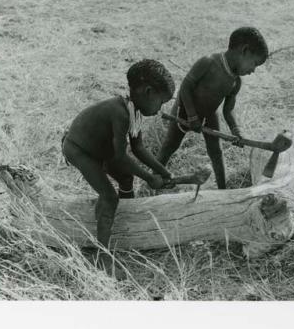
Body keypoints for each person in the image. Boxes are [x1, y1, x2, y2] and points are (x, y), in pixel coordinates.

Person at [62, 59, 175, 272]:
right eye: (161, 102)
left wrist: (163, 171)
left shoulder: (134, 112)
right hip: (80, 150)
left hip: (100, 151)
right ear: (148, 92)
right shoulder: (120, 113)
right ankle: (101, 253)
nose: (161, 109)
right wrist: (149, 177)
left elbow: (139, 148)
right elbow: (121, 158)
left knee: (125, 178)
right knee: (109, 196)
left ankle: (125, 221)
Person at [157, 27, 269, 189]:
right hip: (184, 109)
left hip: (209, 114)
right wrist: (192, 116)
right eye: (254, 64)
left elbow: (228, 110)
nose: (253, 71)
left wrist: (236, 131)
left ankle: (222, 190)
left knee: (216, 152)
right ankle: (153, 179)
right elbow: (186, 88)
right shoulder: (208, 62)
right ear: (244, 50)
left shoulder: (235, 82)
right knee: (170, 146)